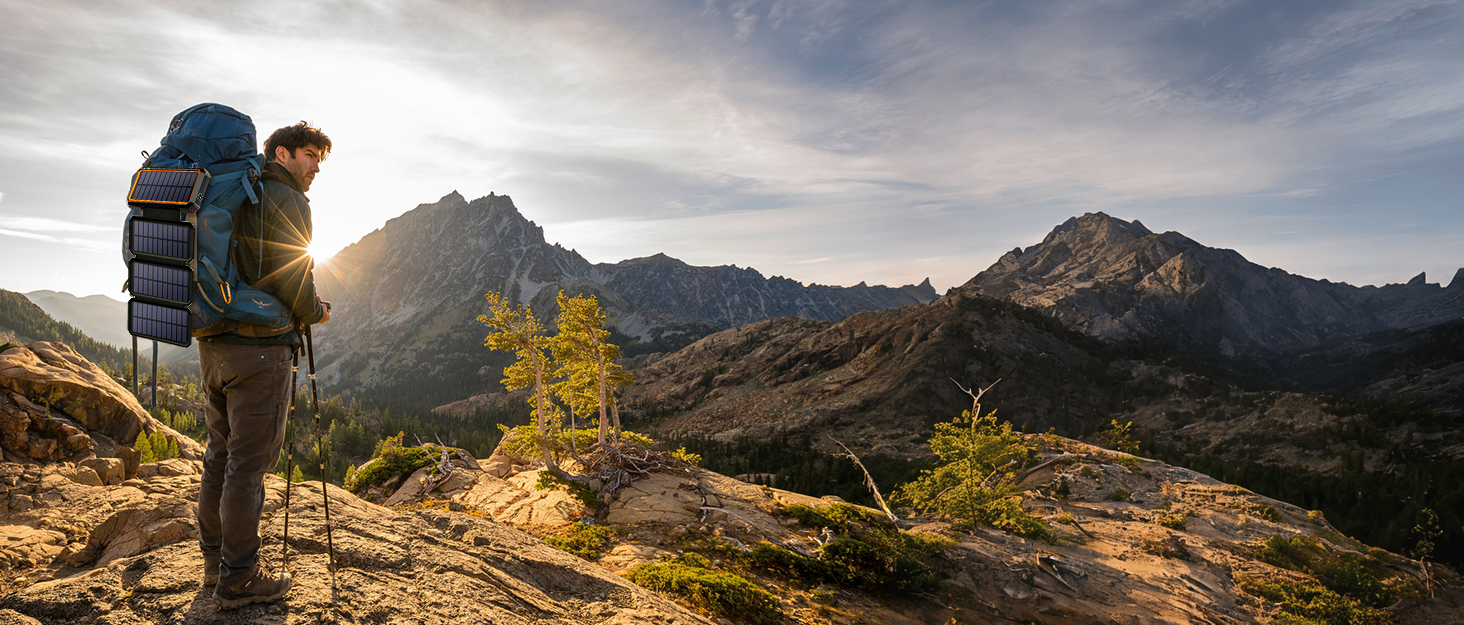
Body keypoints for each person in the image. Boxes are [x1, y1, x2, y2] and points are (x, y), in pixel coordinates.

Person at [197, 121, 332, 609]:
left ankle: (215, 563)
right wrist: (315, 311)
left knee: (220, 453)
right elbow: (292, 273)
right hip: (259, 349)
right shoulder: (287, 198)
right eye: (311, 155)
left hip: (212, 340)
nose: (317, 167)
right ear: (282, 152)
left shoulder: (235, 189)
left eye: (320, 158)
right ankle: (237, 580)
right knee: (247, 468)